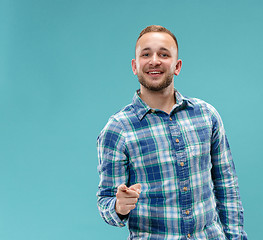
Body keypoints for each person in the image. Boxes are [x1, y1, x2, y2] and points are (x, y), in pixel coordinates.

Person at [96, 25, 247, 240]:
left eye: (163, 54)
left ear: (177, 66)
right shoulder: (117, 129)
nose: (154, 60)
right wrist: (119, 206)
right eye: (146, 54)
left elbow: (227, 187)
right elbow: (105, 202)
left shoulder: (207, 116)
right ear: (134, 66)